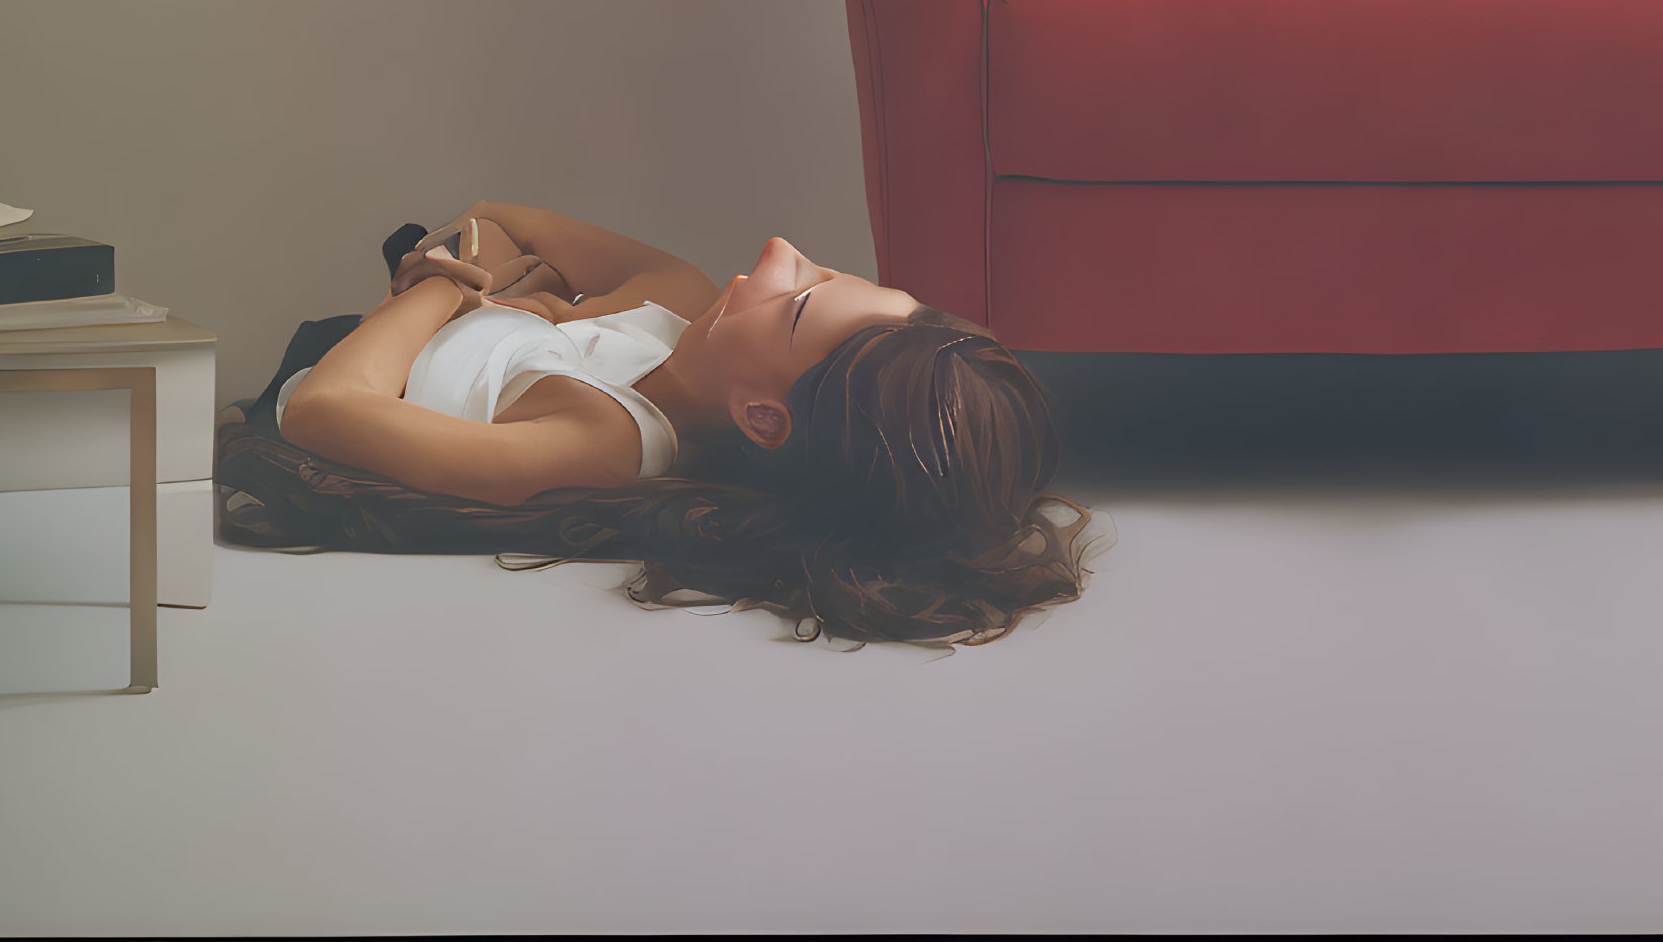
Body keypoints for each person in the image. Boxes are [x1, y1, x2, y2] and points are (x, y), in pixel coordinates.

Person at [213, 203, 1091, 646]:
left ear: (762, 417)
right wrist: (495, 280)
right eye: (822, 269)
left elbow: (321, 413)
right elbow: (497, 218)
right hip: (399, 335)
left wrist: (445, 289)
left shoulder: (602, 439)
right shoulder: (675, 304)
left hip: (327, 367)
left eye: (796, 303)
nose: (777, 256)